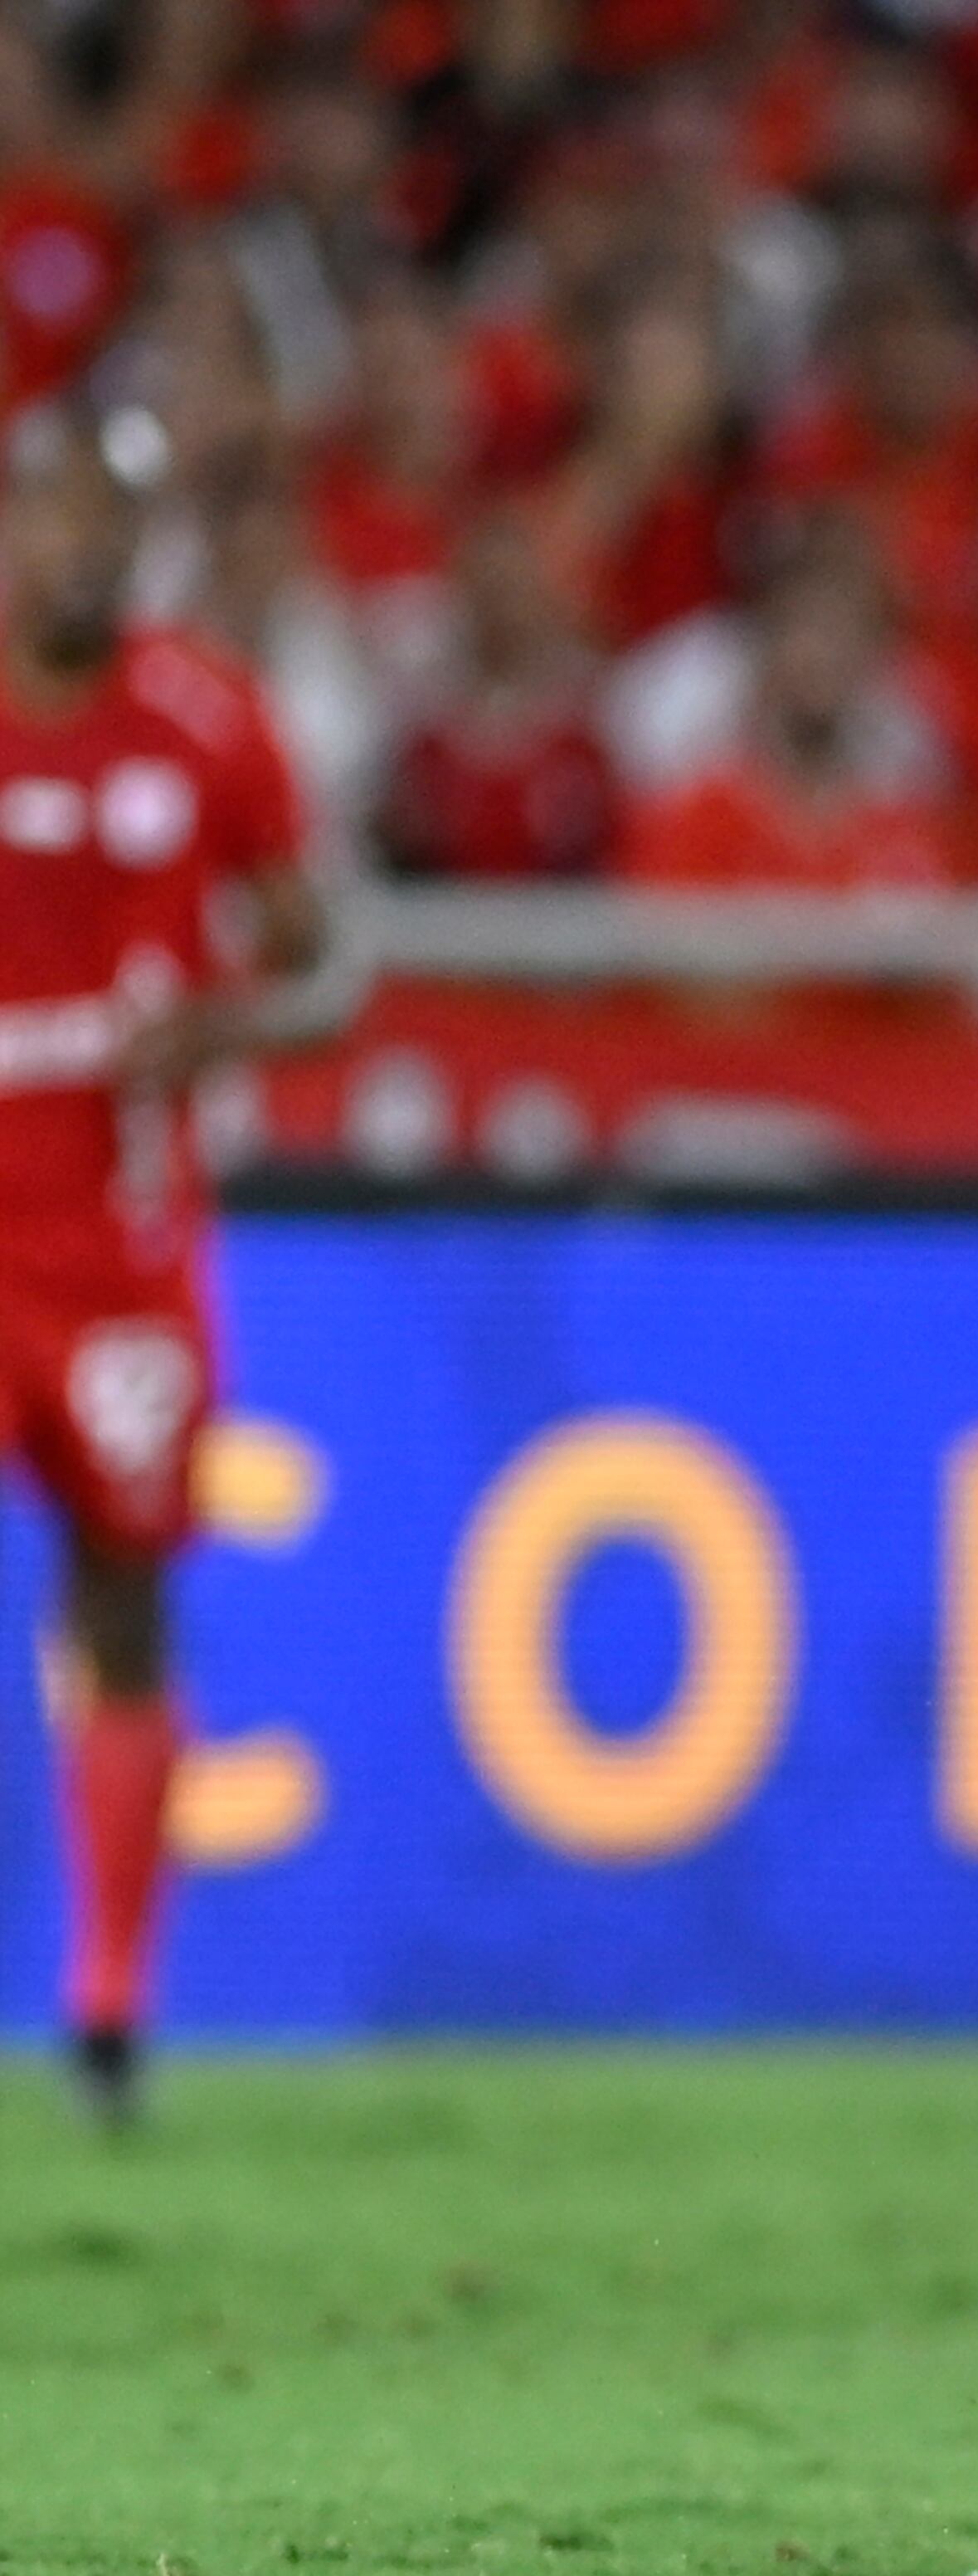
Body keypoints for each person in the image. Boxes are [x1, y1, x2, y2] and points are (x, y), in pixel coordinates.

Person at [0, 401, 338, 2126]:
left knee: (120, 1593)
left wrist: (215, 1020)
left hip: (122, 1249)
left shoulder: (201, 717)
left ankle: (111, 2005)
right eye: (51, 506)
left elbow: (318, 949)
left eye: (108, 516)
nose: (78, 543)